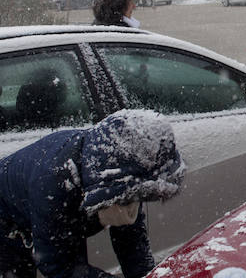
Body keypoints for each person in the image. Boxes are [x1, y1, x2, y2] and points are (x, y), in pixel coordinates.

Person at [0, 109, 186, 278]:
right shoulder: (55, 184)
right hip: (6, 220)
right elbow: (59, 266)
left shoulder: (119, 178)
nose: (132, 208)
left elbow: (132, 245)